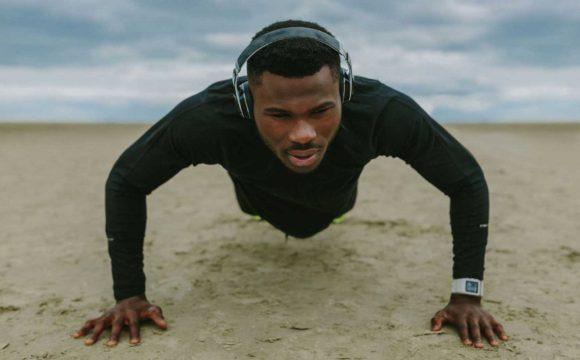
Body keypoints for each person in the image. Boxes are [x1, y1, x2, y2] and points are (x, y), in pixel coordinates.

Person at [72, 19, 508, 349]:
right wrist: (129, 295)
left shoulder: (384, 112)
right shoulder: (209, 119)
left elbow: (465, 180)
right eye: (279, 115)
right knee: (255, 201)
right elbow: (127, 180)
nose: (302, 132)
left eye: (320, 110)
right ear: (247, 99)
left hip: (336, 203)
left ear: (345, 91)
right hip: (256, 201)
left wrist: (466, 295)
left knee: (332, 204)